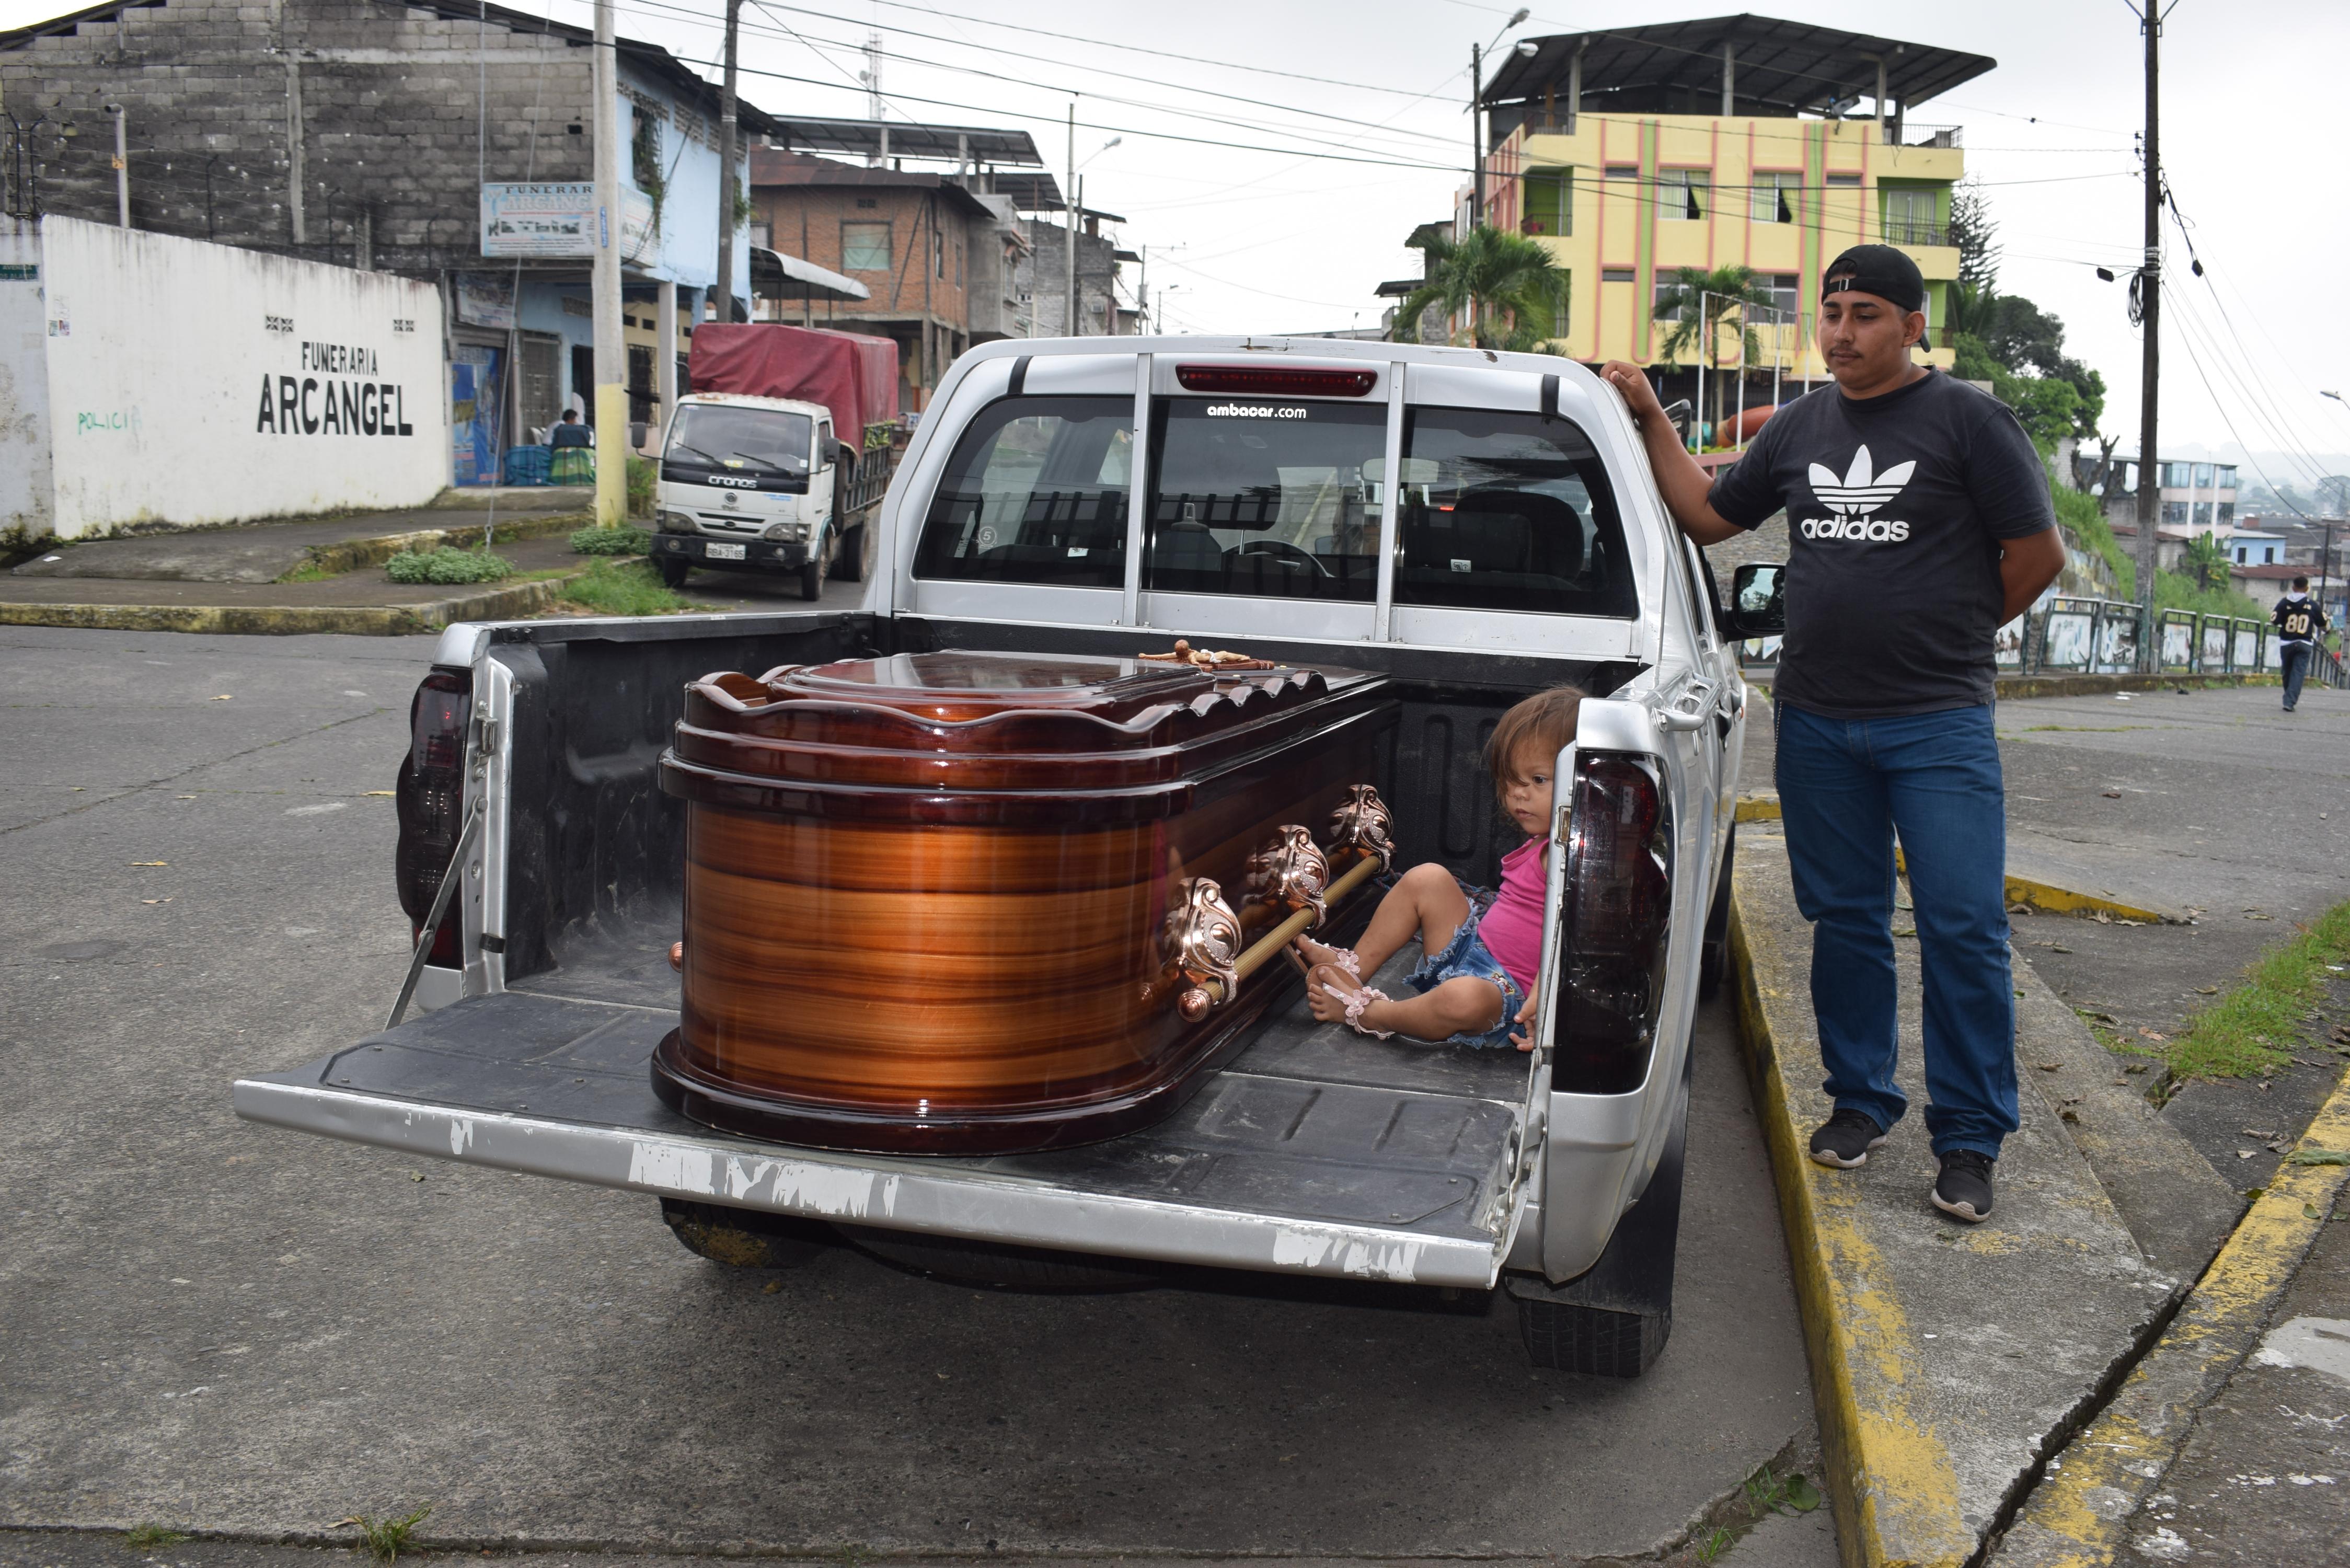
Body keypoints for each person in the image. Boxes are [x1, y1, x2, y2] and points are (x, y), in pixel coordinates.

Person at [1599, 244, 2066, 1225]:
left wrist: (1953, 638)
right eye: (1833, 312)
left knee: (1963, 928)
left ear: (1912, 326)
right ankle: (1860, 1103)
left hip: (1937, 725)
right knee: (1846, 919)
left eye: (1865, 315)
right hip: (1816, 720)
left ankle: (1970, 1138)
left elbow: (2036, 553)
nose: (1843, 332)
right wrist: (1647, 416)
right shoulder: (1802, 425)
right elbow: (1708, 515)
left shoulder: (1970, 422)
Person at [1295, 686, 1580, 1052]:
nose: (1518, 794)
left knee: (1463, 1000)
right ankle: (1352, 970)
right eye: (1511, 780)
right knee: (1427, 878)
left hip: (1506, 999)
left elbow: (1568, 935)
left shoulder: (1573, 855)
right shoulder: (1544, 840)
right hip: (1472, 954)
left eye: (1538, 781)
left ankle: (1371, 1013)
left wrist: (1546, 998)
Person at [2272, 576, 2327, 713]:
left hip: (2286, 643)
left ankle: (2288, 697)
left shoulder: (2284, 603)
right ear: (2307, 589)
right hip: (2304, 643)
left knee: (2287, 672)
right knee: (2298, 673)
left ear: (2293, 587)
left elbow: (2274, 620)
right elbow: (2322, 624)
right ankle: (2289, 701)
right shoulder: (2312, 604)